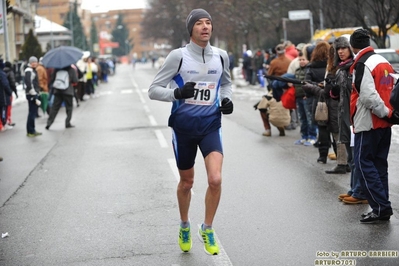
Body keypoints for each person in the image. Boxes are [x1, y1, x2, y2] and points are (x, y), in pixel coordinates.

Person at [148, 8, 233, 255]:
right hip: (183, 128)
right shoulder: (179, 57)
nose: (205, 27)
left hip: (210, 125)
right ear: (191, 29)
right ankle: (184, 224)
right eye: (199, 23)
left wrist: (226, 101)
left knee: (215, 179)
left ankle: (207, 228)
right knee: (187, 182)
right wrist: (176, 93)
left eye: (208, 22)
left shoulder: (221, 56)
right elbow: (154, 89)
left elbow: (225, 84)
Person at [349, 28, 396, 223]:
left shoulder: (362, 63)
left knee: (363, 164)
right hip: (385, 122)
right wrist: (390, 114)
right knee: (379, 165)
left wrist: (384, 112)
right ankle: (381, 205)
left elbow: (367, 96)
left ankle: (380, 207)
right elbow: (390, 89)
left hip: (369, 122)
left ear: (352, 45)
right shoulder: (383, 62)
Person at [326, 36, 354, 175]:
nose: (341, 51)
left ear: (350, 48)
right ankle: (355, 189)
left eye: (344, 48)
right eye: (338, 49)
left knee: (356, 155)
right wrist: (334, 91)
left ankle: (358, 191)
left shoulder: (355, 68)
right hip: (343, 113)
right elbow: (338, 96)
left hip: (355, 114)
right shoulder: (340, 69)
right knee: (347, 145)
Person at [45, 65, 78, 130]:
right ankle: (67, 122)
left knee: (55, 108)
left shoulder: (56, 69)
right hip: (68, 91)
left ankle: (49, 123)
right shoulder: (71, 69)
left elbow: (52, 78)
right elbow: (75, 80)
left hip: (58, 90)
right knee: (69, 107)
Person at [24, 56, 42, 137]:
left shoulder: (32, 70)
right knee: (32, 113)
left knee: (33, 113)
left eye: (36, 62)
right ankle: (30, 131)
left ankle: (32, 130)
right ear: (30, 63)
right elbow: (29, 84)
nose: (34, 63)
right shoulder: (29, 71)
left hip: (33, 93)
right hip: (31, 94)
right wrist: (34, 95)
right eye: (33, 62)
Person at [3, 61, 18, 127]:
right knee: (9, 107)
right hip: (8, 91)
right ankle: (8, 120)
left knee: (4, 108)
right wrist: (15, 92)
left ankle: (4, 120)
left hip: (2, 92)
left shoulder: (2, 72)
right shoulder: (10, 72)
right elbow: (12, 82)